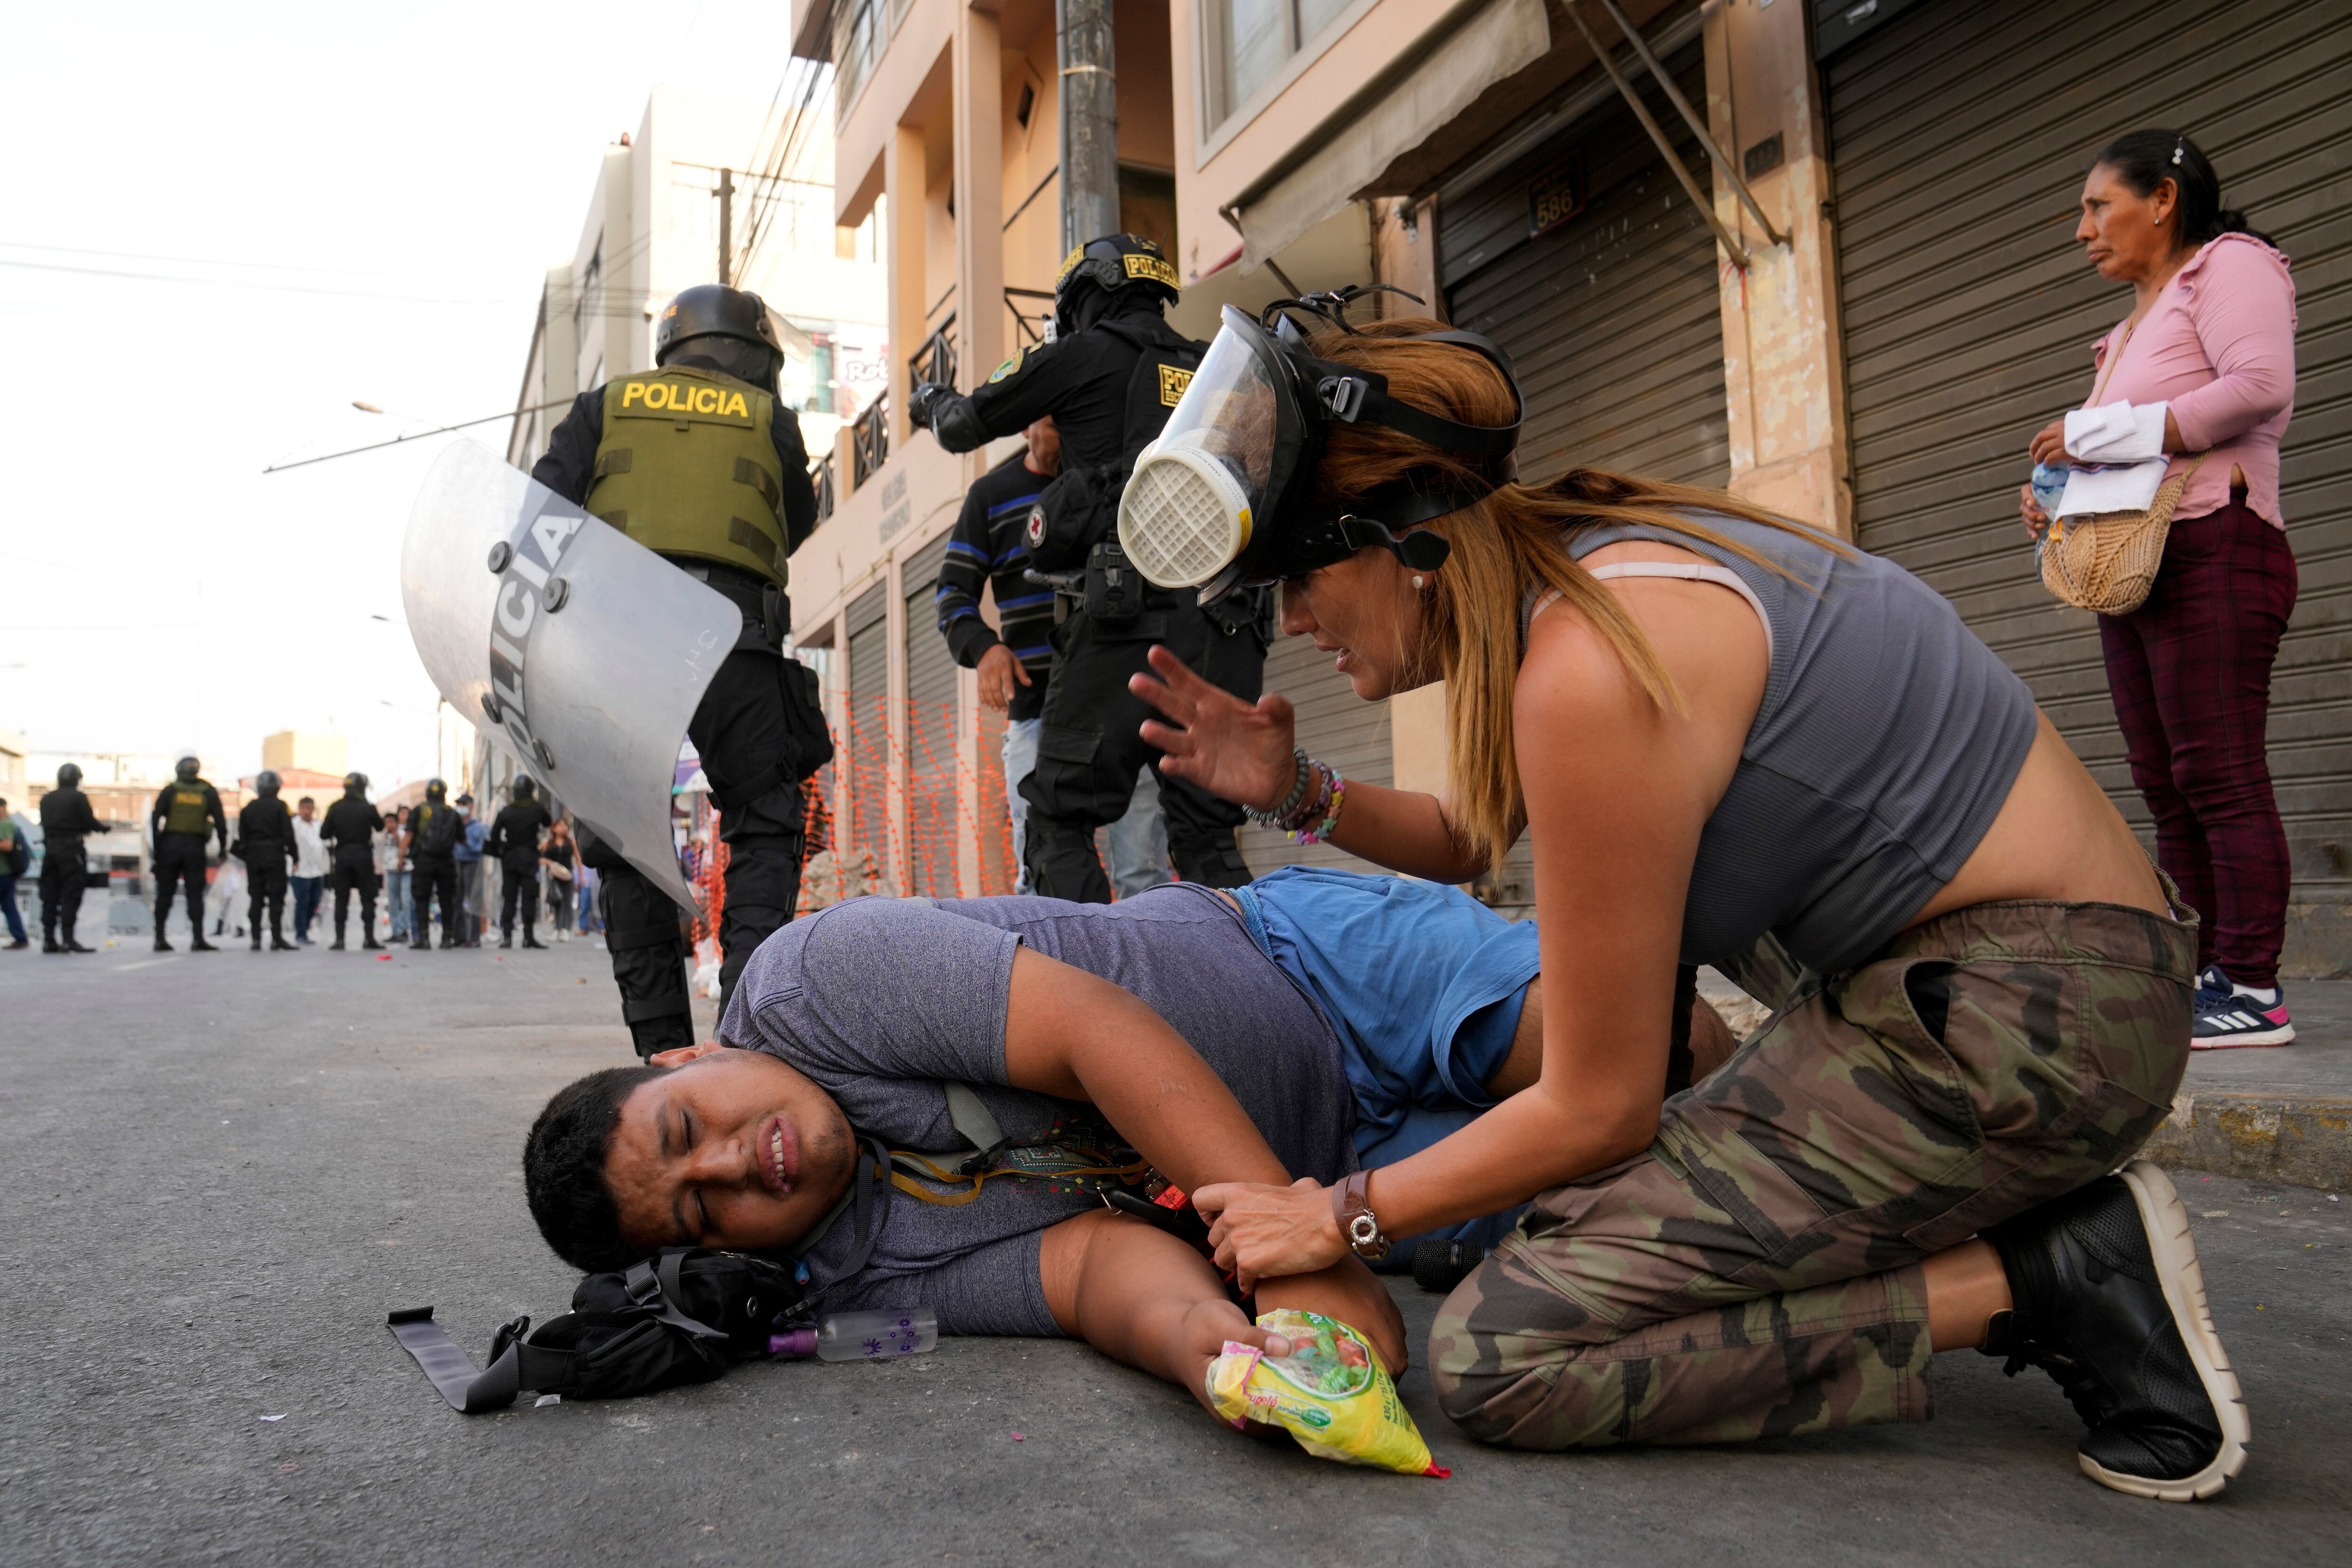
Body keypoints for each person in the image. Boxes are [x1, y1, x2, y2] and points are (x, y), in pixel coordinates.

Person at [1116, 302, 2243, 1499]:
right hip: (2010, 994)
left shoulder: (1589, 665)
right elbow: (1477, 835)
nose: (1290, 622)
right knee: (1518, 1214)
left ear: (1405, 536)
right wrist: (1294, 787)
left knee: (1508, 1350)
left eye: (1301, 575)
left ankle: (2054, 1274)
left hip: (2033, 1023)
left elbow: (1598, 1106)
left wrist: (1337, 1215)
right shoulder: (1597, 565)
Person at [522, 872, 1740, 1403]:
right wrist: (1220, 1353)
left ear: (686, 1059)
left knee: (1668, 1047)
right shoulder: (845, 1269)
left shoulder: (813, 984)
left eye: (690, 1127)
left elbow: (1098, 1032)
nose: (736, 1165)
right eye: (700, 1209)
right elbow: (1093, 1270)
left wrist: (1305, 1262)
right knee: (1697, 1184)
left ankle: (1860, 1044)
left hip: (1313, 970)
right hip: (1343, 1167)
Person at [2019, 130, 2299, 1050]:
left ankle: (2252, 986)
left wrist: (2095, 438)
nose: (2081, 230)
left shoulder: (2230, 265)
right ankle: (2201, 971)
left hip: (2218, 541)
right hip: (2143, 565)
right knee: (2164, 783)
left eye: (2098, 206)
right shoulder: (2129, 325)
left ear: (2164, 199)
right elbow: (2135, 447)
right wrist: (2055, 496)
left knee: (2217, 775)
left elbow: (2258, 386)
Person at [910, 233, 1263, 902]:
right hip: (1225, 625)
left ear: (1086, 295)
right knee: (1209, 837)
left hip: (1124, 624)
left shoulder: (1079, 355)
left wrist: (928, 401)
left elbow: (960, 425)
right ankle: (1248, 995)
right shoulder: (1212, 364)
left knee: (1058, 824)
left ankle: (1086, 993)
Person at [531, 283, 833, 1056]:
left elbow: (542, 512)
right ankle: (749, 1029)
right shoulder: (773, 418)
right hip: (736, 637)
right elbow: (794, 522)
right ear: (754, 356)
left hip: (621, 637)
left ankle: (662, 1045)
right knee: (765, 826)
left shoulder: (605, 403)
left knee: (627, 837)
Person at [934, 416, 1170, 896]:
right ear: (1024, 426)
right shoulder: (990, 496)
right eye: (1052, 421)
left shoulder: (1122, 487)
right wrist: (985, 649)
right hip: (1036, 718)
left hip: (1125, 716)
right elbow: (952, 593)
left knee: (1143, 879)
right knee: (1042, 880)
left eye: (1073, 421)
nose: (1063, 434)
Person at [149, 754, 227, 953]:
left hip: (170, 847)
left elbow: (155, 819)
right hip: (195, 847)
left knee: (165, 893)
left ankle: (159, 938)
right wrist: (223, 848)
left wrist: (157, 848)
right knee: (195, 894)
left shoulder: (171, 790)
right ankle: (198, 938)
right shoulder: (207, 791)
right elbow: (220, 821)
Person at [37, 763, 101, 954]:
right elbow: (89, 822)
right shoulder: (78, 797)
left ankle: (49, 940)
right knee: (71, 895)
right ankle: (68, 939)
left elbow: (47, 825)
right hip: (72, 852)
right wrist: (103, 828)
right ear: (77, 780)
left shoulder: (46, 799)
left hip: (51, 852)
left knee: (50, 896)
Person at [320, 772, 385, 951]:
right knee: (368, 898)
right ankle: (369, 938)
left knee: (341, 899)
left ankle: (340, 940)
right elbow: (380, 826)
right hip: (363, 855)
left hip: (342, 856)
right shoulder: (368, 807)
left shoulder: (336, 807)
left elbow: (324, 833)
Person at [487, 775, 554, 949]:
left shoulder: (506, 811)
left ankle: (507, 938)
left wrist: (503, 849)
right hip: (530, 858)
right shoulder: (536, 809)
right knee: (529, 898)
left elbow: (494, 837)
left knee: (509, 898)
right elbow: (548, 822)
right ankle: (528, 937)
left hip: (509, 859)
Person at [235, 770, 298, 951]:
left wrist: (249, 856)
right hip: (275, 857)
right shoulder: (281, 806)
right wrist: (295, 856)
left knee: (256, 899)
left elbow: (242, 837)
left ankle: (256, 939)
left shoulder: (248, 809)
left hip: (254, 858)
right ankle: (277, 938)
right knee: (276, 899)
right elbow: (288, 833)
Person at [405, 779, 463, 949]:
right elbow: (463, 839)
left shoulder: (419, 811)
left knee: (422, 899)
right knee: (447, 900)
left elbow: (409, 835)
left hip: (423, 861)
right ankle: (447, 938)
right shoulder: (453, 813)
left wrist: (401, 856)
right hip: (446, 862)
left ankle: (424, 938)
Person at [289, 797, 326, 945]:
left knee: (315, 901)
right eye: (303, 808)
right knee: (302, 902)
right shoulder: (294, 825)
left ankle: (305, 927)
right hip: (300, 870)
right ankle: (300, 933)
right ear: (299, 809)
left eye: (309, 808)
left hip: (317, 870)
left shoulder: (318, 825)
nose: (306, 811)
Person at [451, 793, 485, 947]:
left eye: (464, 804)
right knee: (456, 900)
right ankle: (459, 935)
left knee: (474, 899)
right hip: (456, 863)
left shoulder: (478, 827)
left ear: (471, 806)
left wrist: (467, 843)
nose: (461, 808)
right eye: (459, 805)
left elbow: (480, 848)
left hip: (472, 864)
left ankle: (474, 937)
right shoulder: (454, 825)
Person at [541, 818, 577, 942]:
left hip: (568, 875)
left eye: (565, 825)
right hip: (555, 877)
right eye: (560, 825)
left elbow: (577, 859)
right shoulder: (549, 844)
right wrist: (552, 864)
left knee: (568, 902)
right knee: (557, 902)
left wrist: (581, 877)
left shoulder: (570, 842)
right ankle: (557, 929)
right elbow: (542, 859)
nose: (564, 828)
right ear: (554, 828)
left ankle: (566, 930)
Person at [379, 806, 410, 944]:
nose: (389, 825)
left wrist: (397, 838)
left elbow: (405, 848)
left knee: (405, 901)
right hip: (390, 871)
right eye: (387, 822)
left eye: (392, 822)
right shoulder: (383, 836)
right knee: (393, 902)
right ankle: (395, 930)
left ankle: (404, 929)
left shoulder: (403, 834)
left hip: (404, 871)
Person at [0, 798, 28, 950]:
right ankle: (20, 937)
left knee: (9, 906)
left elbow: (7, 845)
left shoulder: (5, 824)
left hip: (4, 872)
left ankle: (20, 937)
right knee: (9, 905)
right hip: (5, 873)